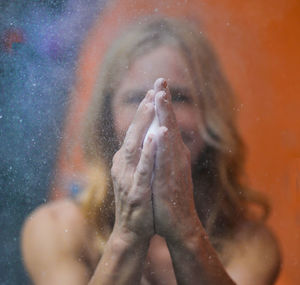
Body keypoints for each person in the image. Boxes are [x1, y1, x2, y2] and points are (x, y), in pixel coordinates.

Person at [21, 18, 281, 285]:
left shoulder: (249, 244)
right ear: (107, 117)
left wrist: (187, 232)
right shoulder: (55, 228)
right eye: (137, 99)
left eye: (178, 97)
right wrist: (128, 235)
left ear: (210, 116)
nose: (159, 116)